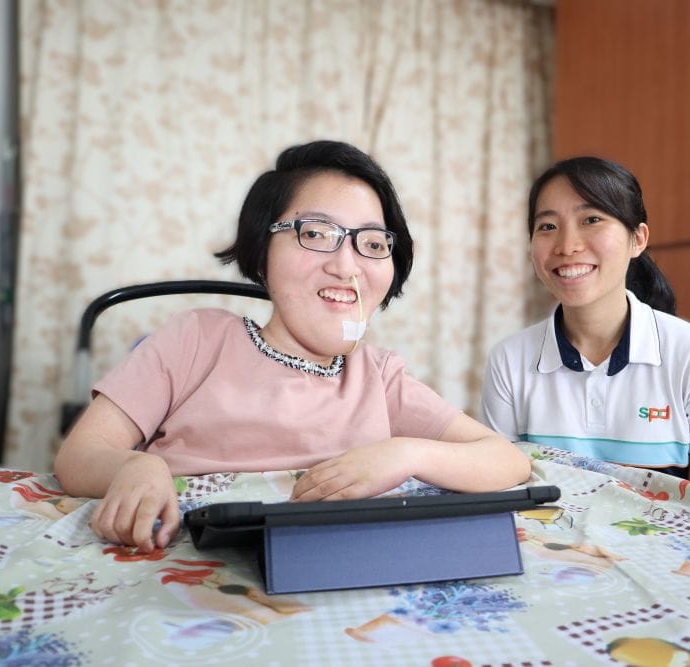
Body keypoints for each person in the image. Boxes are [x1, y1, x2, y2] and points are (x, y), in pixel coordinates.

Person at [55, 140, 532, 551]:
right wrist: (135, 466)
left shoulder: (380, 377)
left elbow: (506, 459)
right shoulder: (195, 339)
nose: (347, 266)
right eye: (317, 234)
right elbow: (79, 456)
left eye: (371, 243)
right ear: (262, 251)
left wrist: (407, 454)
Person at [481, 156, 690, 495]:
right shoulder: (508, 360)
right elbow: (505, 496)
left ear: (638, 239)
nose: (567, 245)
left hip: (667, 547)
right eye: (547, 226)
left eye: (591, 219)